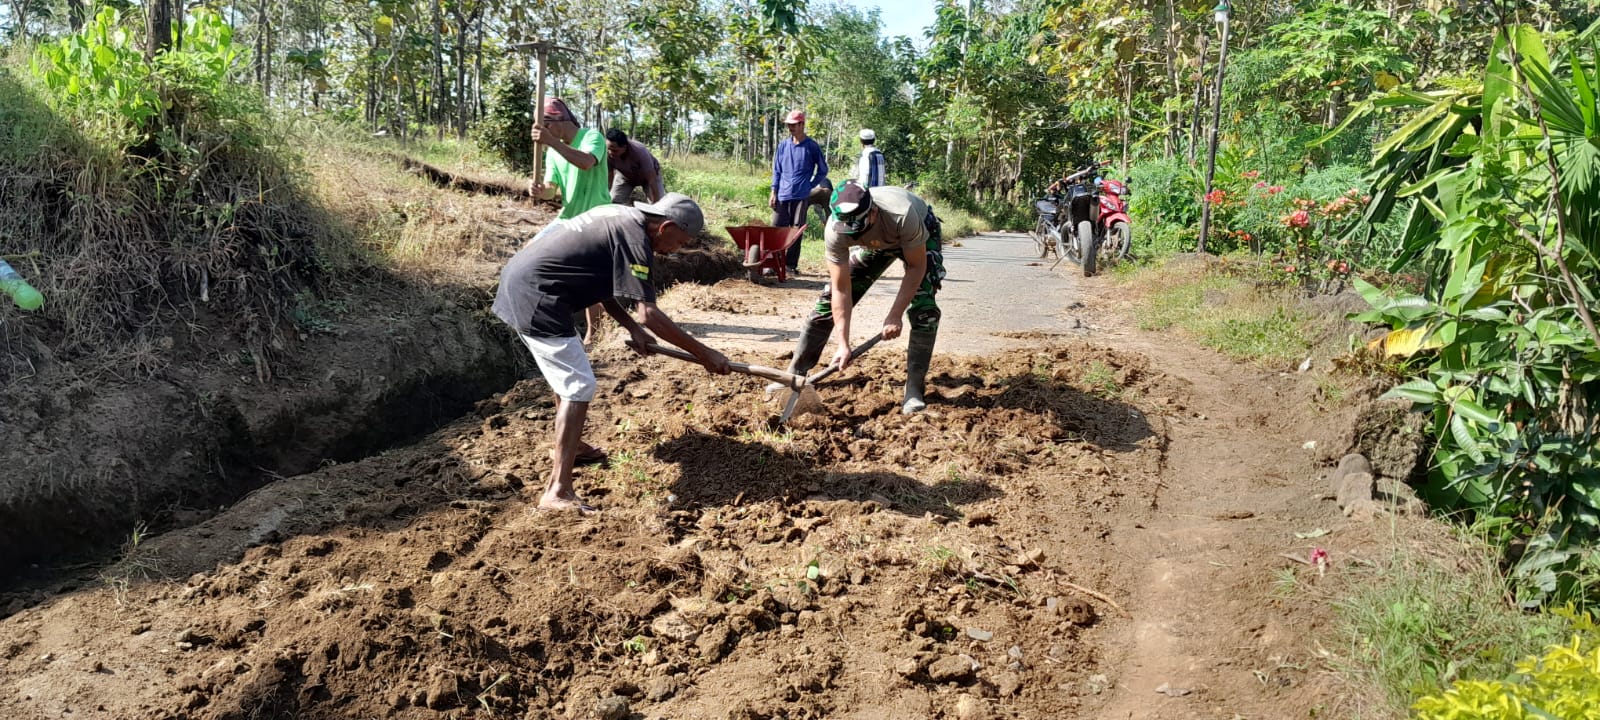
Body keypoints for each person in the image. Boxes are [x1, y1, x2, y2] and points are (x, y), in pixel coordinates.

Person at [493, 194, 732, 512]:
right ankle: (557, 491)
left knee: (567, 375)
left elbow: (601, 282)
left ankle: (573, 446)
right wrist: (705, 354)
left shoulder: (620, 216)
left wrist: (632, 328)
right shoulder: (636, 239)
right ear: (666, 227)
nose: (676, 250)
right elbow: (650, 314)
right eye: (679, 242)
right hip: (537, 297)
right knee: (579, 386)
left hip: (525, 283)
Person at [776, 180, 946, 414]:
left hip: (916, 234)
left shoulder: (902, 215)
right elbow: (841, 288)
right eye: (848, 228)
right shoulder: (835, 229)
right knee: (826, 303)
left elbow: (916, 267)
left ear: (873, 212)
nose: (852, 231)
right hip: (875, 242)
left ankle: (914, 389)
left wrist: (894, 315)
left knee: (924, 310)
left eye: (857, 226)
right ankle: (794, 375)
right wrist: (843, 344)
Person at [529, 97, 612, 343]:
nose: (544, 132)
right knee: (530, 253)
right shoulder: (552, 152)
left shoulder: (591, 137)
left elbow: (586, 162)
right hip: (568, 218)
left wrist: (551, 142)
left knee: (590, 277)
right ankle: (549, 319)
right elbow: (551, 190)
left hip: (596, 217)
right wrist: (540, 191)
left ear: (558, 121)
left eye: (546, 126)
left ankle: (594, 335)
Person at [769, 109, 828, 275]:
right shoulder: (783, 146)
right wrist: (773, 192)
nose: (791, 128)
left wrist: (810, 185)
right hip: (782, 194)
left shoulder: (811, 146)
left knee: (796, 230)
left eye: (794, 125)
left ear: (802, 125)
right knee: (777, 228)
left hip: (801, 195)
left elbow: (823, 170)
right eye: (789, 125)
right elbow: (777, 170)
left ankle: (790, 265)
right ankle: (774, 264)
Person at [604, 128, 666, 206]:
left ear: (624, 147)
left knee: (658, 204)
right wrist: (607, 193)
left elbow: (652, 180)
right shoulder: (608, 154)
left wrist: (656, 203)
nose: (610, 153)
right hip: (625, 176)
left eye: (614, 150)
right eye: (609, 149)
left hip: (648, 178)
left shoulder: (640, 151)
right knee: (612, 202)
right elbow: (610, 175)